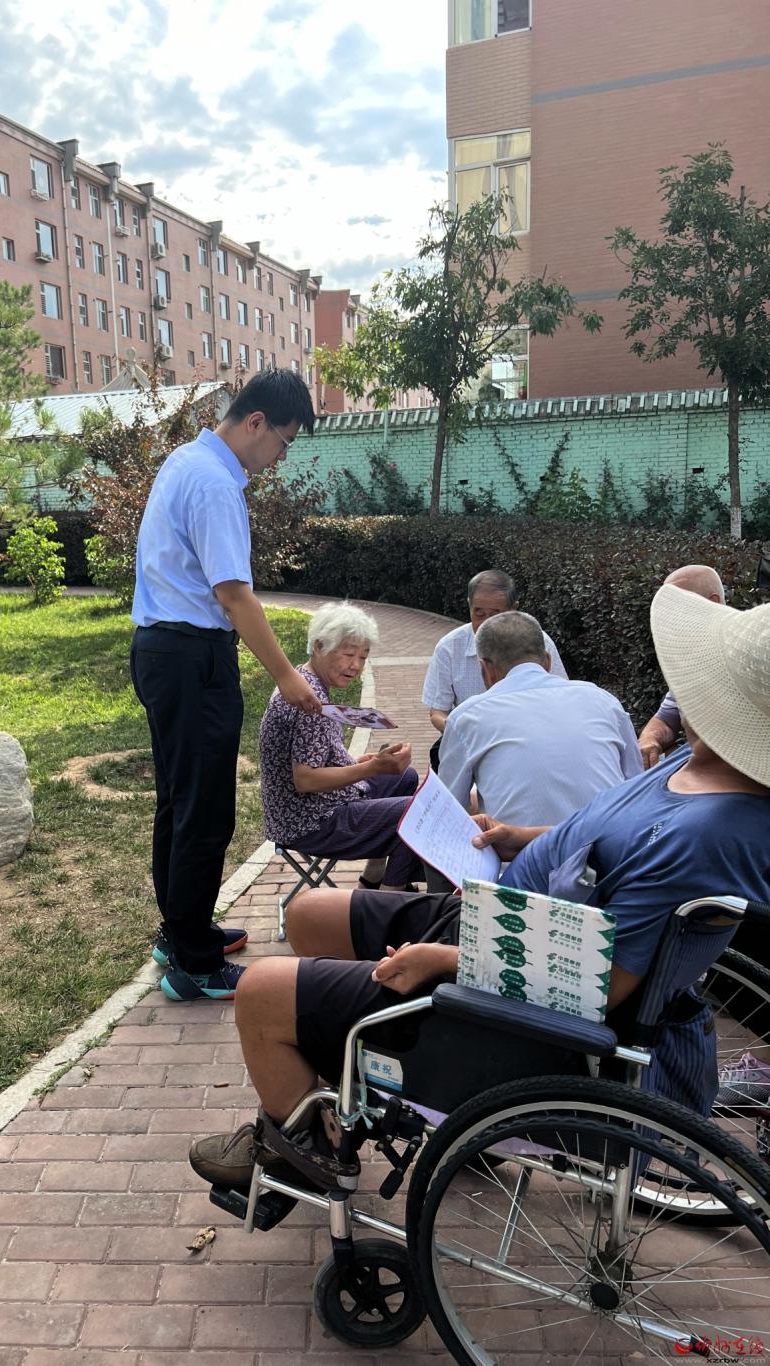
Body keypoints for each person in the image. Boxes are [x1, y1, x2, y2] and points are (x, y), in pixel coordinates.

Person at [188, 585, 770, 1188]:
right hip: (511, 917)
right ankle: (347, 1074)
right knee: (308, 912)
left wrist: (443, 959)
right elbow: (610, 840)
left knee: (260, 990)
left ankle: (311, 1151)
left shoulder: (705, 835)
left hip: (514, 984)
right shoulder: (694, 766)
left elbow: (601, 985)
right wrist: (523, 839)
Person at [130, 370, 321, 1005]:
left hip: (162, 651)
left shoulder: (185, 460)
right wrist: (287, 675)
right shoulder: (215, 483)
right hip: (193, 658)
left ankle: (180, 933)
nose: (281, 457)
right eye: (284, 442)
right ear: (256, 422)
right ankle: (195, 965)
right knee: (204, 810)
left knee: (178, 800)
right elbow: (234, 595)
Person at [260, 601, 422, 892]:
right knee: (414, 813)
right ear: (319, 646)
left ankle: (372, 879)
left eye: (363, 657)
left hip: (299, 810)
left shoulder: (304, 681)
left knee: (404, 777)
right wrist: (372, 768)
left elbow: (313, 758)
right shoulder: (310, 702)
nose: (356, 666)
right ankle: (387, 902)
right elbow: (306, 780)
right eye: (348, 654)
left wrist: (360, 763)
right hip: (309, 821)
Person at [439, 610, 642, 825]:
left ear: (486, 669)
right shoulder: (604, 701)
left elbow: (447, 811)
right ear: (547, 661)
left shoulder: (466, 717)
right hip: (614, 842)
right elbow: (637, 786)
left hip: (520, 846)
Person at [422, 569, 567, 767]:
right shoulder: (449, 647)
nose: (485, 624)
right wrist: (462, 733)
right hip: (472, 742)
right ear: (469, 606)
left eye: (495, 615)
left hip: (529, 740)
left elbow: (560, 700)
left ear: (514, 610)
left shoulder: (539, 642)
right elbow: (438, 712)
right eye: (478, 613)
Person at [638, 564, 726, 769]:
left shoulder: (750, 655)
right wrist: (650, 739)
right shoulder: (691, 659)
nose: (667, 617)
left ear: (712, 602)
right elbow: (666, 719)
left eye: (676, 606)